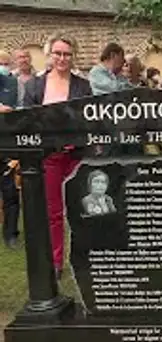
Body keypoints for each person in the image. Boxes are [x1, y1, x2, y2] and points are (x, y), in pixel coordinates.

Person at [23, 33, 92, 278]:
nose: (62, 58)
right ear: (50, 55)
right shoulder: (34, 86)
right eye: (58, 53)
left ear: (73, 57)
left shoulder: (83, 86)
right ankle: (55, 262)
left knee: (80, 208)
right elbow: (27, 121)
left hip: (76, 156)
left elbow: (89, 120)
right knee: (53, 212)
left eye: (67, 54)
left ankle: (84, 259)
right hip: (49, 157)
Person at [0, 50, 20, 249]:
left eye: (6, 63)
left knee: (10, 192)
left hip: (7, 143)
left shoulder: (13, 83)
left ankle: (11, 233)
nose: (4, 67)